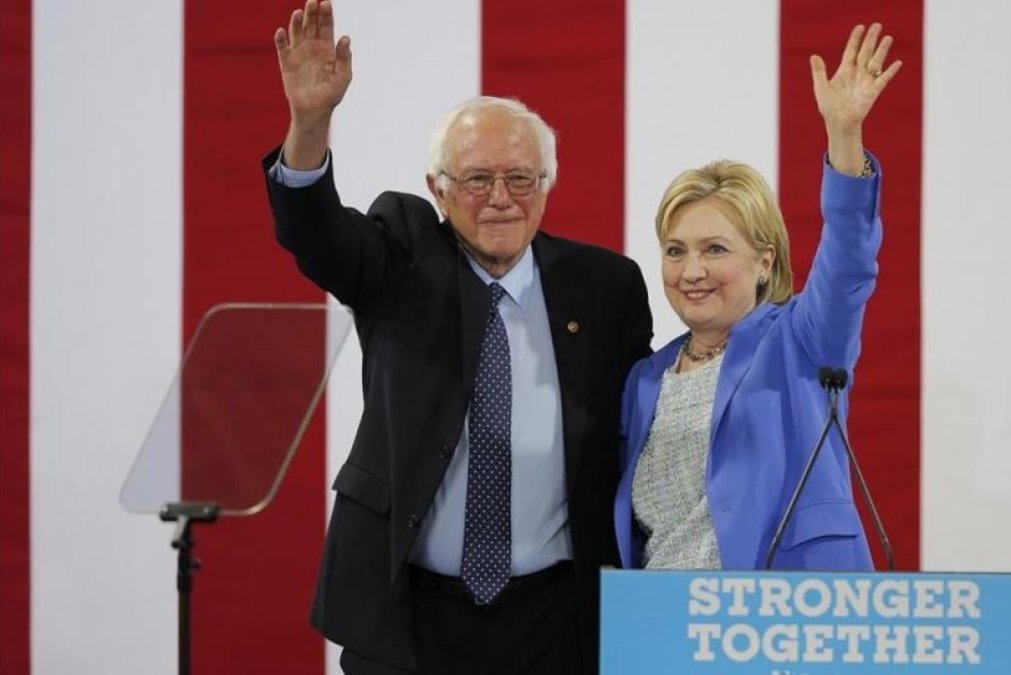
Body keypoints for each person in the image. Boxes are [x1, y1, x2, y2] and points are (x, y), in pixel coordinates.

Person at [263, 1, 652, 673]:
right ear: (437, 190)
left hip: (559, 616)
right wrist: (310, 123)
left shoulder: (607, 286)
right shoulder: (402, 256)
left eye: (520, 178)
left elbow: (636, 429)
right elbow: (314, 232)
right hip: (411, 615)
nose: (501, 196)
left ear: (547, 185)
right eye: (477, 178)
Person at [614, 23, 901, 572]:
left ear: (765, 260)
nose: (691, 270)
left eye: (714, 249)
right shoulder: (643, 380)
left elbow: (848, 264)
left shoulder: (801, 341)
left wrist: (844, 137)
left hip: (784, 626)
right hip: (662, 625)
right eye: (675, 250)